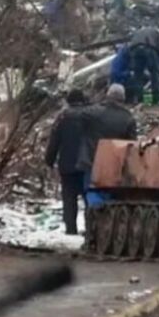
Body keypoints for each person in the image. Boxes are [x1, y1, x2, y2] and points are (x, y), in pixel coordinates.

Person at [44, 89, 93, 236]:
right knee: (88, 198)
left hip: (67, 165)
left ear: (68, 101)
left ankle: (71, 230)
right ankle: (91, 229)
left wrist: (49, 161)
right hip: (87, 164)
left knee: (69, 199)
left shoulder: (62, 118)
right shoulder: (90, 116)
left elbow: (54, 142)